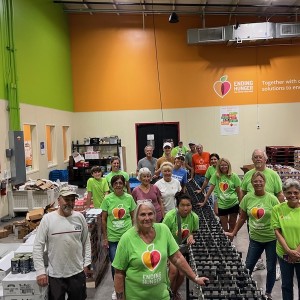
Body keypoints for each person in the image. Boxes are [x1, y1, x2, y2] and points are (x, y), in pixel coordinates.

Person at [112, 201, 209, 300]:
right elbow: (119, 273)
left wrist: (195, 278)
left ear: (155, 215)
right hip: (136, 297)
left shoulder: (163, 230)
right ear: (136, 217)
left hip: (162, 296)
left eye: (150, 214)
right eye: (142, 215)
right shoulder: (127, 239)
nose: (147, 218)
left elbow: (177, 258)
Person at [227, 171, 279, 300]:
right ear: (251, 183)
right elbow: (242, 218)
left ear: (264, 183)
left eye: (260, 181)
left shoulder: (272, 199)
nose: (258, 183)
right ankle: (242, 289)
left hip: (271, 239)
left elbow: (279, 219)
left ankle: (268, 293)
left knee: (271, 268)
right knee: (248, 265)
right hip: (255, 239)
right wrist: (234, 232)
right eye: (255, 181)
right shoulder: (247, 198)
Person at [33, 187, 91, 300]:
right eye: (66, 199)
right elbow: (38, 246)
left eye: (72, 200)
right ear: (59, 200)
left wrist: (87, 263)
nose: (69, 203)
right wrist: (40, 271)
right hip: (56, 275)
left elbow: (86, 242)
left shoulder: (79, 218)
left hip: (77, 273)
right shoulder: (47, 219)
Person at [241, 149, 284, 275]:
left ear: (265, 159)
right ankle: (259, 262)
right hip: (253, 214)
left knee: (273, 242)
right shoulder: (248, 175)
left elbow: (280, 194)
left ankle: (275, 266)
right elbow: (243, 191)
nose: (258, 159)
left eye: (260, 157)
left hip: (270, 215)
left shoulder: (273, 175)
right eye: (255, 157)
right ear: (252, 160)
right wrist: (243, 208)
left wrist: (279, 213)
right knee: (254, 238)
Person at [100, 175, 136, 300]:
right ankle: (117, 289)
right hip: (113, 238)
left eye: (121, 183)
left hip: (127, 237)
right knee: (116, 264)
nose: (119, 185)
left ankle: (128, 286)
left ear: (124, 184)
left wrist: (135, 234)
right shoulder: (107, 199)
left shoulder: (129, 198)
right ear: (112, 185)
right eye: (116, 183)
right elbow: (103, 219)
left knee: (129, 262)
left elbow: (133, 217)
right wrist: (105, 237)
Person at [163, 192, 199, 299]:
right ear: (177, 206)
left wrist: (191, 236)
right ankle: (167, 293)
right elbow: (162, 234)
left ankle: (174, 291)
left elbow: (194, 231)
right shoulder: (170, 217)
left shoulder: (194, 217)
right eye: (182, 205)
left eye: (188, 205)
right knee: (173, 272)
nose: (185, 208)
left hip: (183, 249)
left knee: (182, 274)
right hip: (170, 248)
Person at [271, 178, 300, 300]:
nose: (292, 195)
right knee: (286, 285)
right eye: (289, 192)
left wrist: (296, 252)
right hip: (284, 254)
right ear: (284, 193)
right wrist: (288, 251)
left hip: (299, 253)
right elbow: (277, 232)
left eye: (296, 192)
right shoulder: (277, 209)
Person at [202, 158, 242, 236]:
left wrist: (241, 206)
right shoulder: (216, 176)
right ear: (219, 166)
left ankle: (230, 244)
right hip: (222, 205)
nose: (224, 167)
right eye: (222, 165)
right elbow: (210, 189)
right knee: (224, 227)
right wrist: (204, 201)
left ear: (228, 165)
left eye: (225, 165)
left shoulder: (234, 176)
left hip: (233, 204)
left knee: (232, 225)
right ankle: (226, 244)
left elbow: (239, 192)